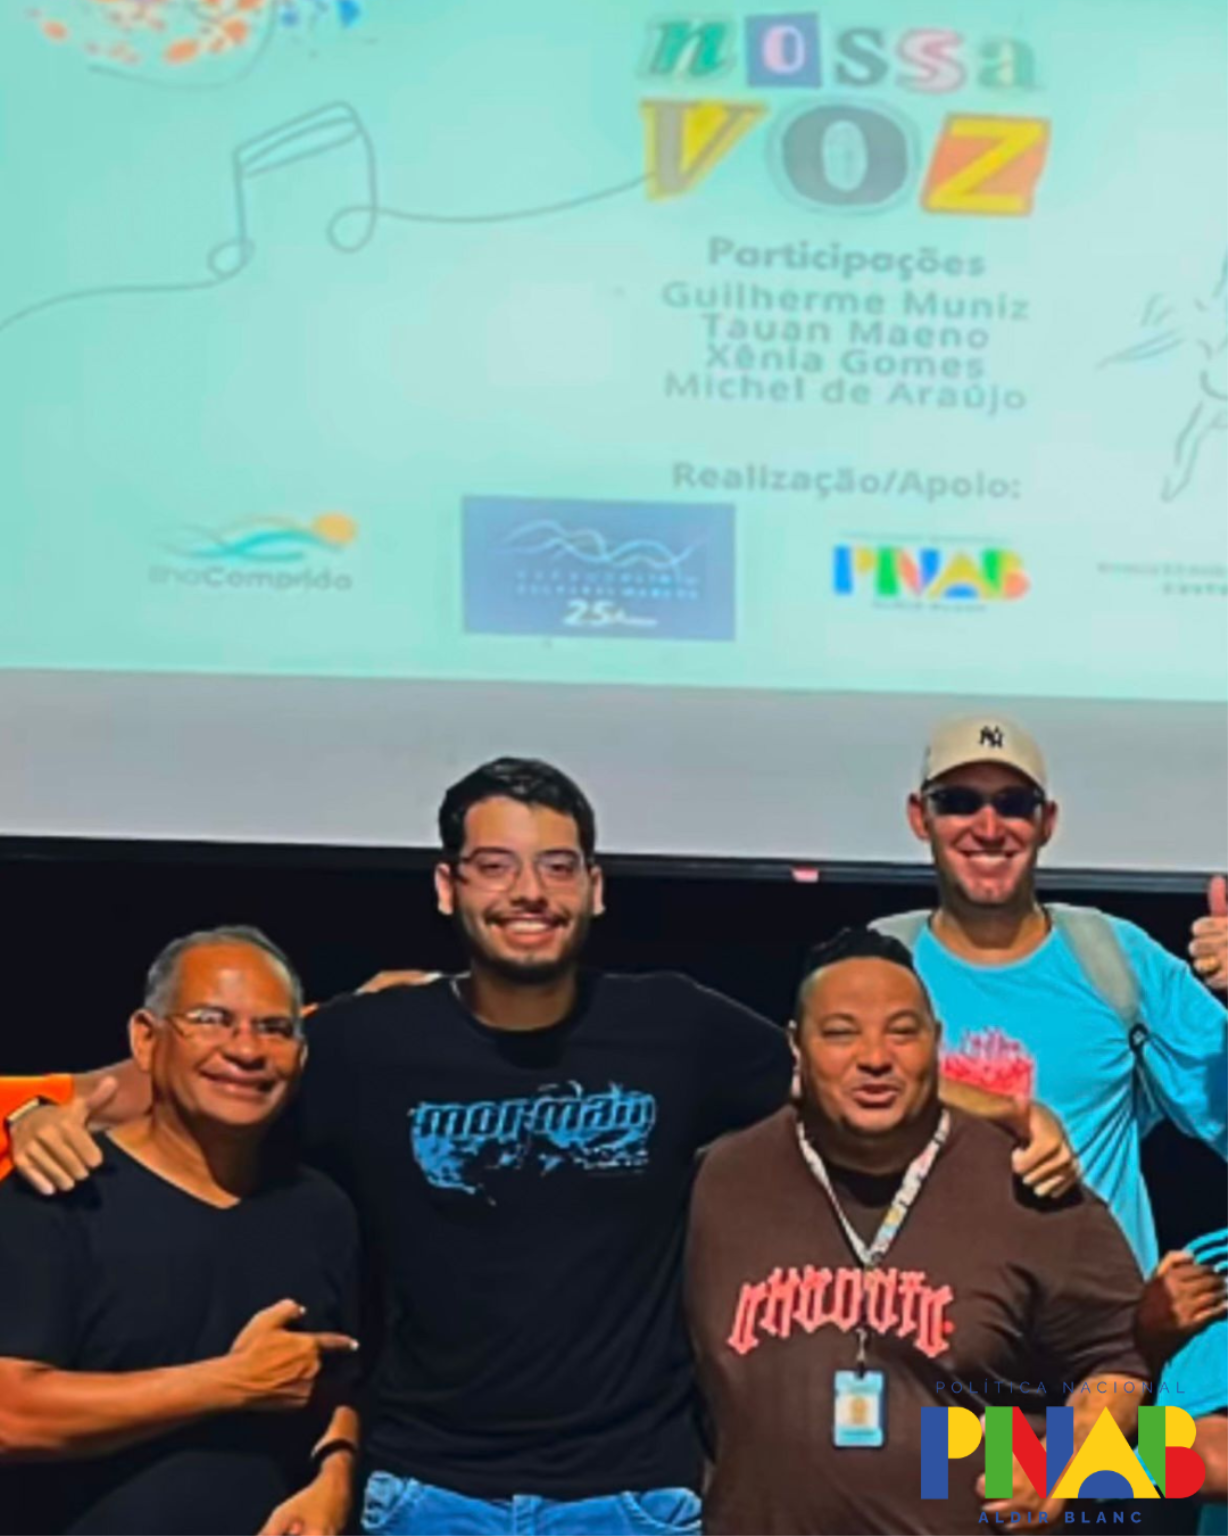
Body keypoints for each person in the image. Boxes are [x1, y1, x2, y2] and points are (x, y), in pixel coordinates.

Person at [2, 758, 1073, 1536]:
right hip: (422, 1496)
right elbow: (215, 1066)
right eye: (497, 865)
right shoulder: (368, 1041)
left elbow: (846, 1071)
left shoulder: (680, 1028)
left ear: (596, 887)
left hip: (634, 1497)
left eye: (558, 866)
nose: (529, 891)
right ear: (448, 887)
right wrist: (47, 1113)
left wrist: (1017, 1114)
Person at [685, 928, 1155, 1536]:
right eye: (841, 1033)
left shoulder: (1023, 1185)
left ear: (936, 1041)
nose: (875, 1057)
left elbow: (1122, 1358)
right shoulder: (720, 1181)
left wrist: (1061, 1462)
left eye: (903, 1033)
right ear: (796, 1046)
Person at [0, 926, 362, 1536]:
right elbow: (9, 1417)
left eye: (274, 1028)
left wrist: (336, 1474)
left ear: (300, 1057)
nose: (246, 1049)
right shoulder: (58, 1192)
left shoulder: (322, 1209)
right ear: (146, 1039)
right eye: (212, 1020)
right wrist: (230, 1383)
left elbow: (337, 1378)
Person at [873, 714, 1228, 1277]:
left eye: (1014, 804)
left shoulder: (1115, 957)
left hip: (1097, 1327)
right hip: (925, 1323)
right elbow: (806, 1106)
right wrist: (1014, 1113)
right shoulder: (877, 964)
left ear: (1047, 822)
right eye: (959, 801)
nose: (989, 827)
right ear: (920, 817)